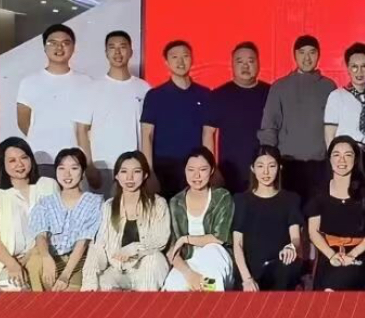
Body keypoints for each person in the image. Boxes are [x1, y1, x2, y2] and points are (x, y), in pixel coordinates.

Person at [258, 35, 336, 206]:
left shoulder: (329, 87)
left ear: (318, 55)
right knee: (290, 213)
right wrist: (268, 161)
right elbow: (269, 125)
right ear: (294, 55)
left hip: (320, 165)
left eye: (312, 52)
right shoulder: (279, 87)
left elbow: (335, 127)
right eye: (302, 52)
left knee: (318, 213)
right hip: (288, 164)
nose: (307, 58)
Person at [74, 30, 150, 196]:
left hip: (134, 167)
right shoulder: (92, 88)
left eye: (122, 47)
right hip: (103, 167)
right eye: (112, 47)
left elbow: (148, 131)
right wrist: (89, 166)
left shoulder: (144, 88)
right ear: (106, 53)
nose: (117, 52)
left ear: (131, 51)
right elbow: (81, 130)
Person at [81, 152, 171, 291]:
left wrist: (134, 249)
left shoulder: (158, 204)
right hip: (118, 269)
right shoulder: (109, 206)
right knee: (98, 281)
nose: (129, 177)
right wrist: (90, 279)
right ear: (116, 176)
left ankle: (145, 304)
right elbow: (100, 246)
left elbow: (160, 240)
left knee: (153, 259)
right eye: (124, 172)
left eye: (136, 172)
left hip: (146, 267)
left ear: (145, 175)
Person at [306, 136, 365, 290]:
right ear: (329, 159)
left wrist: (352, 255)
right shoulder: (319, 192)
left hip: (359, 253)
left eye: (348, 155)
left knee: (334, 286)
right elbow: (313, 231)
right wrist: (331, 255)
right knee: (325, 287)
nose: (342, 160)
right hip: (329, 253)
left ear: (355, 160)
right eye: (336, 155)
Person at [140, 40, 215, 200]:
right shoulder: (155, 95)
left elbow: (208, 135)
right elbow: (147, 135)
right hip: (163, 169)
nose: (180, 61)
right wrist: (149, 172)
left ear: (192, 59)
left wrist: (209, 168)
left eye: (185, 56)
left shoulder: (205, 94)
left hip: (195, 169)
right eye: (174, 57)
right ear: (166, 62)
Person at [16, 24, 92, 170]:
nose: (59, 48)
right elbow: (23, 122)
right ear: (44, 47)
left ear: (73, 48)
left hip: (74, 159)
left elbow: (89, 124)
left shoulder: (86, 82)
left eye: (65, 43)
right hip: (40, 158)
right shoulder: (29, 82)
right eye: (53, 43)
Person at [27, 147, 102, 291]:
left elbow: (83, 242)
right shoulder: (45, 202)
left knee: (67, 293)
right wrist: (46, 257)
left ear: (83, 172)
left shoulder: (94, 202)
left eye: (74, 168)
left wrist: (65, 275)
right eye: (61, 168)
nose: (67, 174)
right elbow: (40, 235)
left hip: (77, 262)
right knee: (36, 268)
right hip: (50, 257)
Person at [232, 146, 305, 291]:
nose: (266, 172)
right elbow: (237, 243)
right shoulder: (241, 200)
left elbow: (296, 238)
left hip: (280, 267)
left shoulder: (290, 199)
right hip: (250, 270)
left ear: (279, 168)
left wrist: (291, 247)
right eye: (260, 166)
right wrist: (247, 279)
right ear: (252, 168)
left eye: (271, 166)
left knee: (287, 267)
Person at [163, 148, 235, 291]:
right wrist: (189, 274)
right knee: (173, 285)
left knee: (211, 276)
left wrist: (186, 239)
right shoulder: (175, 202)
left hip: (216, 257)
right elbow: (172, 249)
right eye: (191, 170)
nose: (196, 175)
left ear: (212, 170)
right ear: (184, 171)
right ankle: (201, 290)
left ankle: (215, 302)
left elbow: (219, 238)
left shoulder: (222, 197)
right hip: (189, 262)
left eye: (203, 169)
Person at [0, 137, 60, 291]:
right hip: (9, 261)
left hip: (43, 254)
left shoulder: (48, 185)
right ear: (2, 164)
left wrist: (30, 256)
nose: (20, 164)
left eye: (24, 158)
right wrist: (13, 265)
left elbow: (56, 227)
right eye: (12, 160)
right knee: (13, 288)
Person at [208, 42, 271, 195]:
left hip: (265, 172)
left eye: (250, 61)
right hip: (228, 174)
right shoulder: (218, 95)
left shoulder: (272, 93)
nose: (245, 66)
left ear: (258, 63)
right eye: (240, 61)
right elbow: (208, 134)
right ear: (232, 64)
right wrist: (212, 168)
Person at [324, 42, 365, 191]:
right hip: (347, 155)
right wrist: (334, 161)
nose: (359, 71)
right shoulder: (336, 96)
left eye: (364, 66)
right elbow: (329, 134)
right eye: (354, 67)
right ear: (348, 69)